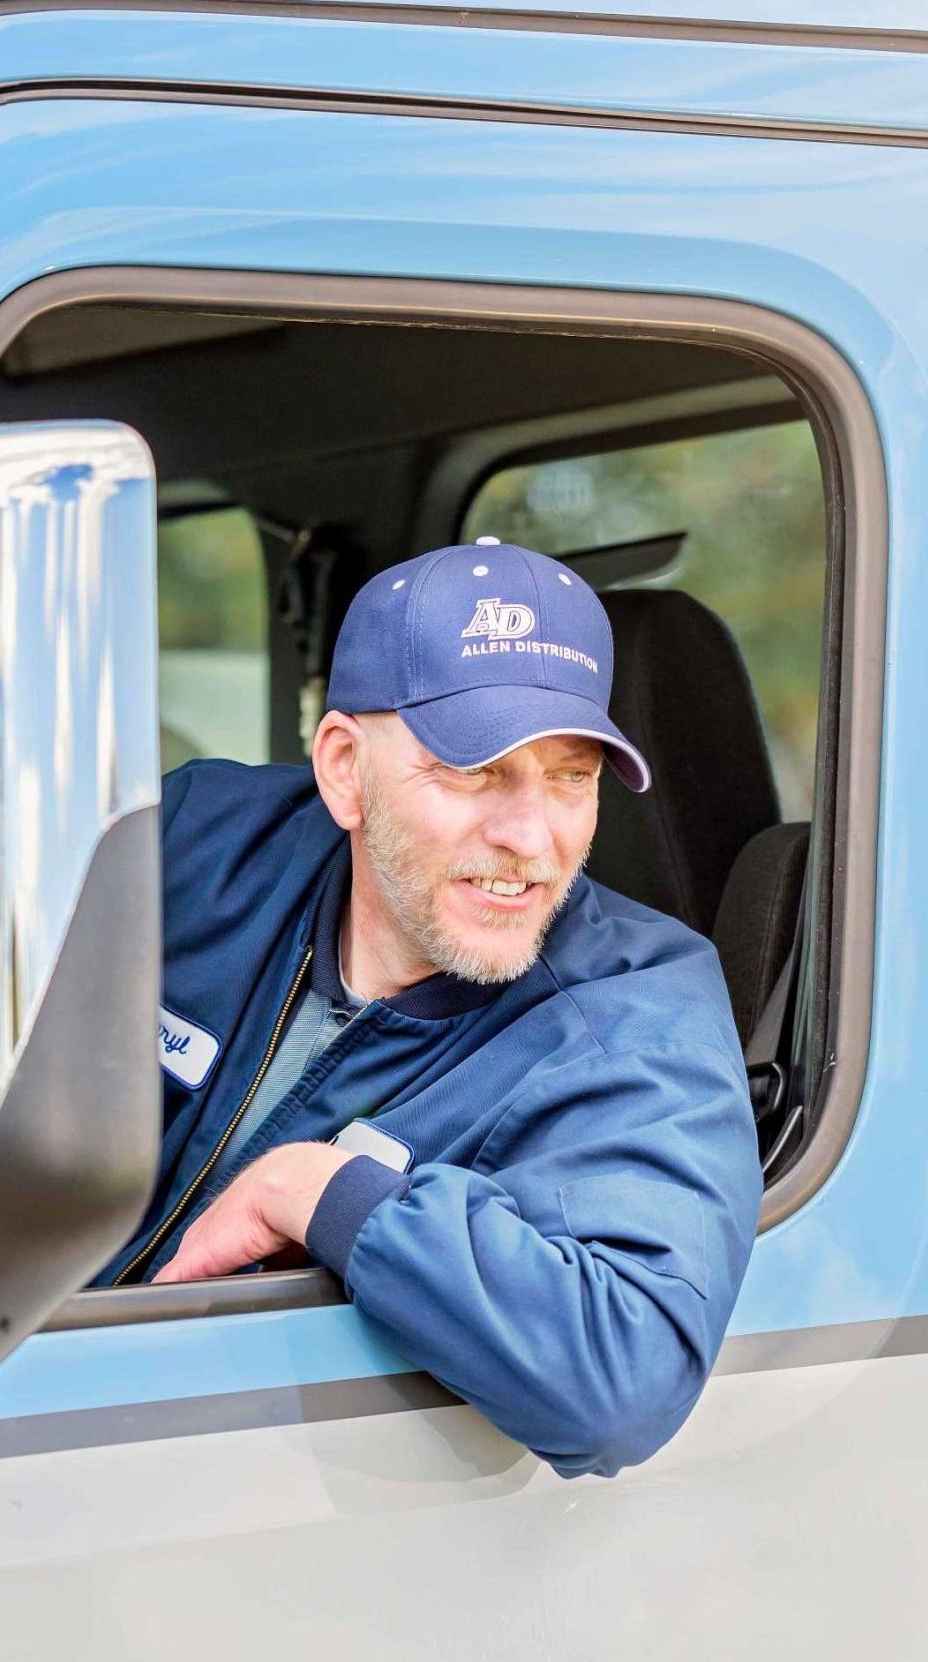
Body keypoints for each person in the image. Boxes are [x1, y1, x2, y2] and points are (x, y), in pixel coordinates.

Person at [103, 538, 760, 1476]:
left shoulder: (635, 1011)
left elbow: (623, 1377)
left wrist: (326, 1192)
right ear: (343, 768)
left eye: (572, 775)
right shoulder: (199, 844)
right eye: (475, 770)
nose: (532, 837)